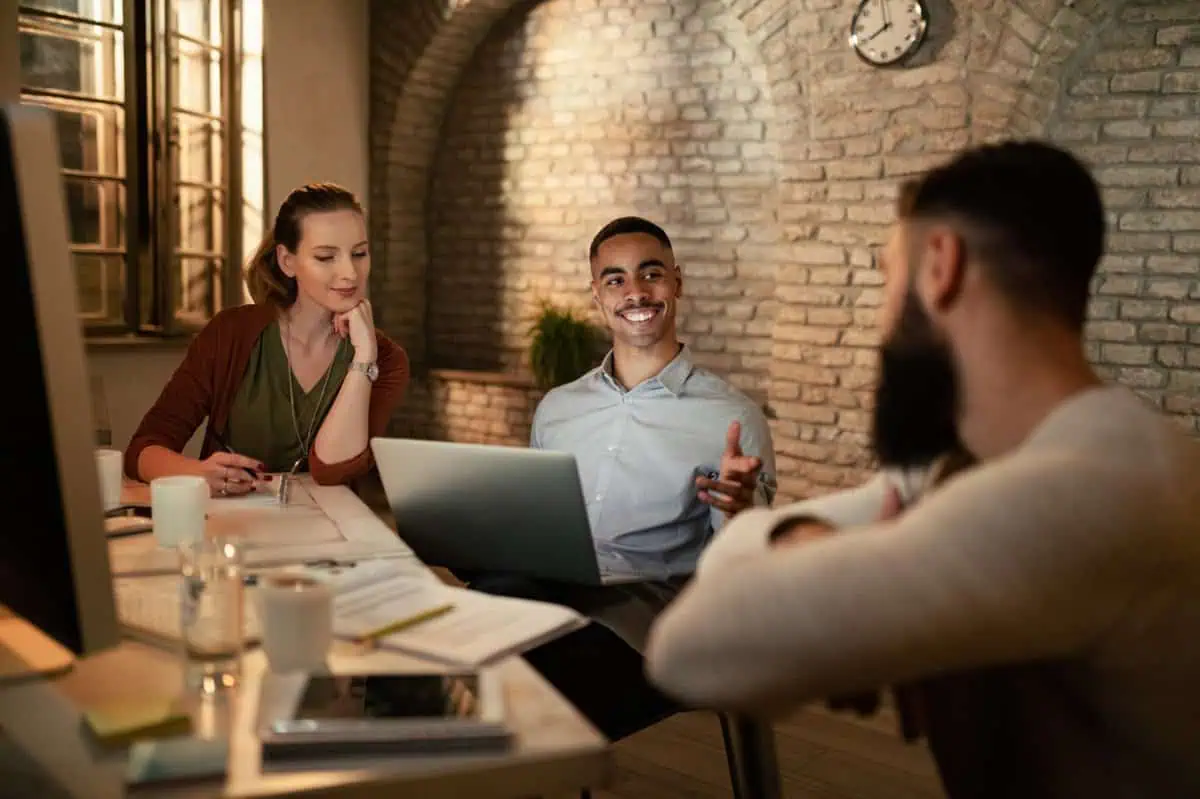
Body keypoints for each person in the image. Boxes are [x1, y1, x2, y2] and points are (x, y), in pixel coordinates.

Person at [646, 141, 1200, 797]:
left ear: (941, 265)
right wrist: (812, 547)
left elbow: (688, 650)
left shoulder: (1080, 493)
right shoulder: (1011, 461)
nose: (883, 319)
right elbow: (734, 575)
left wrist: (804, 549)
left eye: (887, 276)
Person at [460, 216, 776, 741]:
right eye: (616, 279)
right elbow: (541, 524)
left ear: (677, 281)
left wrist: (740, 511)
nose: (636, 292)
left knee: (517, 688)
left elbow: (750, 569)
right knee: (460, 629)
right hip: (555, 591)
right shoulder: (559, 408)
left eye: (651, 274)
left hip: (649, 622)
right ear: (597, 295)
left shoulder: (731, 418)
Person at [125, 183, 409, 495]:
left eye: (359, 254)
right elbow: (143, 451)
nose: (350, 273)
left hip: (333, 534)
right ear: (287, 261)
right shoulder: (230, 334)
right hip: (231, 530)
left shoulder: (385, 359)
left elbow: (333, 470)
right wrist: (197, 473)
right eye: (326, 257)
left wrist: (364, 357)